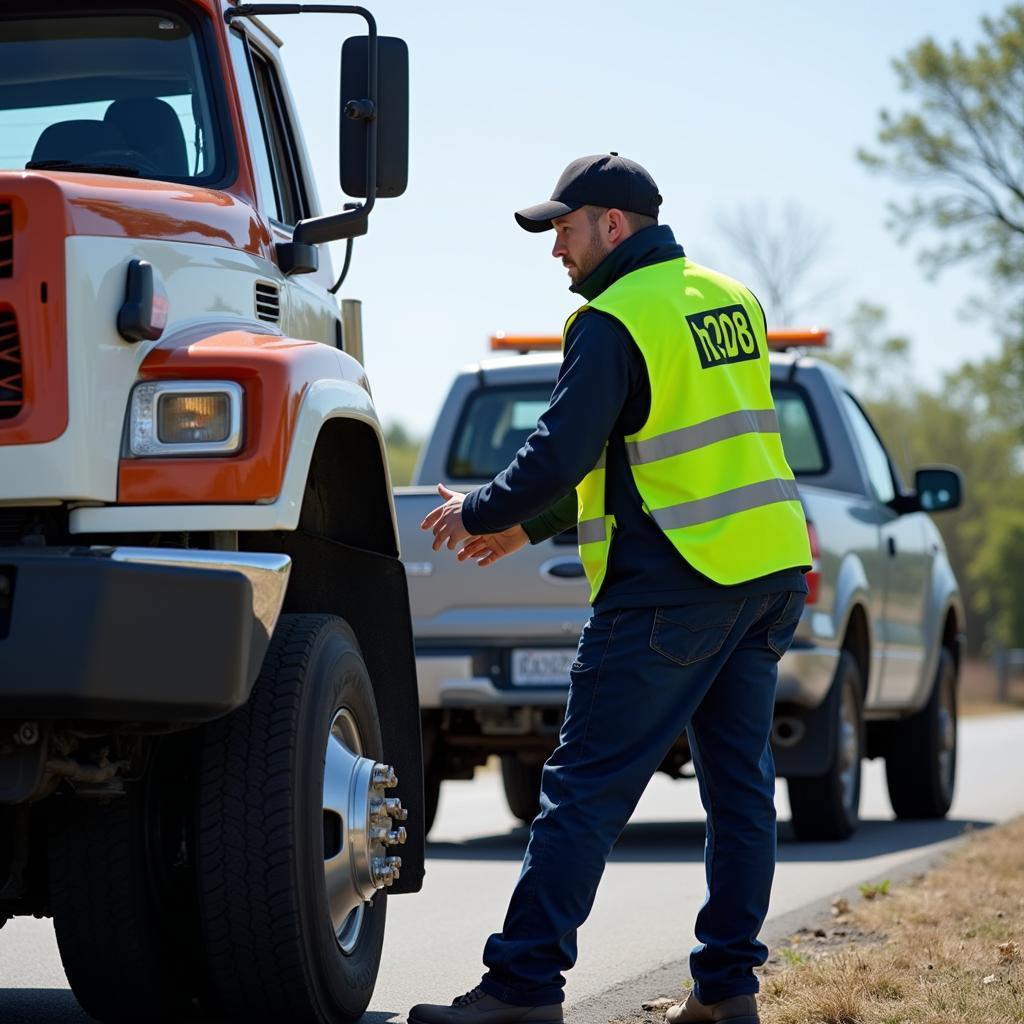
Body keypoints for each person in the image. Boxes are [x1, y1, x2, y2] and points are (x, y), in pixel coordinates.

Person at [410, 154, 811, 1024]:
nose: (556, 247)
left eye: (564, 226)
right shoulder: (730, 298)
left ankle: (522, 989)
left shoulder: (612, 317)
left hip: (672, 586)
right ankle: (727, 990)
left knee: (582, 793)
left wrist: (480, 510)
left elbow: (561, 449)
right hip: (767, 575)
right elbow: (648, 447)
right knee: (740, 793)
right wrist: (529, 526)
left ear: (612, 225)